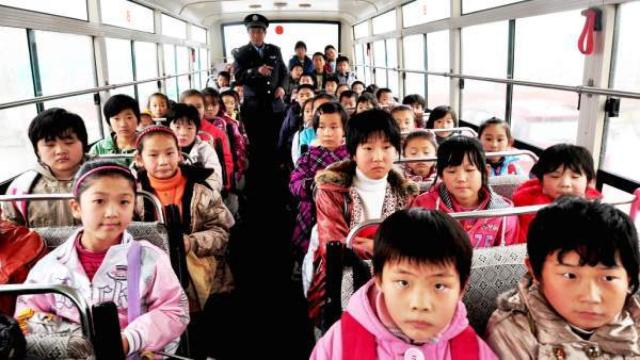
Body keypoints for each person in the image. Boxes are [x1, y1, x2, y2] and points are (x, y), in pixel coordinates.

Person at [15, 160, 189, 357]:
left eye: (124, 202)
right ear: (76, 207)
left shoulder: (149, 259)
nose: (112, 212)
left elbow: (174, 311)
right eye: (99, 201)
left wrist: (128, 340)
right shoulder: (50, 267)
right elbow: (26, 316)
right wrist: (76, 342)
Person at [311, 208, 498, 360]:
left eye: (439, 286)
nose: (420, 304)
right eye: (403, 282)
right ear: (379, 280)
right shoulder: (339, 345)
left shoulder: (474, 352)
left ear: (461, 289)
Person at [487, 197, 640, 359]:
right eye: (570, 275)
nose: (591, 297)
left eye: (608, 278)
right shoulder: (514, 333)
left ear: (630, 276)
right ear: (535, 271)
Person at [307, 109, 419, 324]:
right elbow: (334, 246)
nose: (378, 157)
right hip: (343, 275)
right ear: (352, 152)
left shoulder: (406, 193)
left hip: (395, 276)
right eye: (368, 148)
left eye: (386, 147)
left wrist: (368, 244)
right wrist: (387, 248)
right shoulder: (331, 190)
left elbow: (411, 242)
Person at [412, 136, 519, 247]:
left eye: (469, 170)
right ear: (441, 175)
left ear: (485, 172)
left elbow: (509, 260)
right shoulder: (423, 207)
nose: (461, 178)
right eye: (452, 171)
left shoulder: (504, 214)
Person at [3, 108, 88, 227]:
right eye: (50, 145)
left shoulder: (108, 178)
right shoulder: (22, 188)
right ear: (37, 150)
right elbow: (13, 231)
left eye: (69, 142)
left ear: (83, 143)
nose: (60, 151)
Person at [289, 102, 349, 261]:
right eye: (322, 127)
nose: (327, 132)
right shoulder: (308, 157)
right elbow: (295, 185)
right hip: (312, 209)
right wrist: (313, 186)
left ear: (344, 130)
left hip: (345, 211)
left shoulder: (352, 156)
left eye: (334, 127)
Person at [512, 144, 601, 243]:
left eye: (575, 177)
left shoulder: (596, 209)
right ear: (541, 181)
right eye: (555, 176)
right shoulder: (528, 210)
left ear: (589, 181)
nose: (565, 184)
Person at [233, 13, 288, 171]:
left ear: (265, 33)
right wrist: (256, 71)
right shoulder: (241, 53)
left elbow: (284, 72)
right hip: (253, 105)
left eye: (259, 32)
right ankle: (258, 171)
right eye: (253, 32)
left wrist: (282, 88)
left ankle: (276, 170)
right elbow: (238, 77)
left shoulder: (275, 50)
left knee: (276, 137)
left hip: (274, 104)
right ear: (248, 33)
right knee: (257, 141)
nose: (256, 35)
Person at [168, 103, 224, 192]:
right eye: (177, 127)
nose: (183, 133)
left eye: (189, 128)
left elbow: (216, 182)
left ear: (197, 130)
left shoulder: (206, 150)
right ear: (169, 128)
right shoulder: (163, 151)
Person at [89, 94, 139, 164]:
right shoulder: (98, 149)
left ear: (137, 118)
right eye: (116, 119)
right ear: (109, 121)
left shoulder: (150, 144)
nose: (123, 124)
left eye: (129, 118)